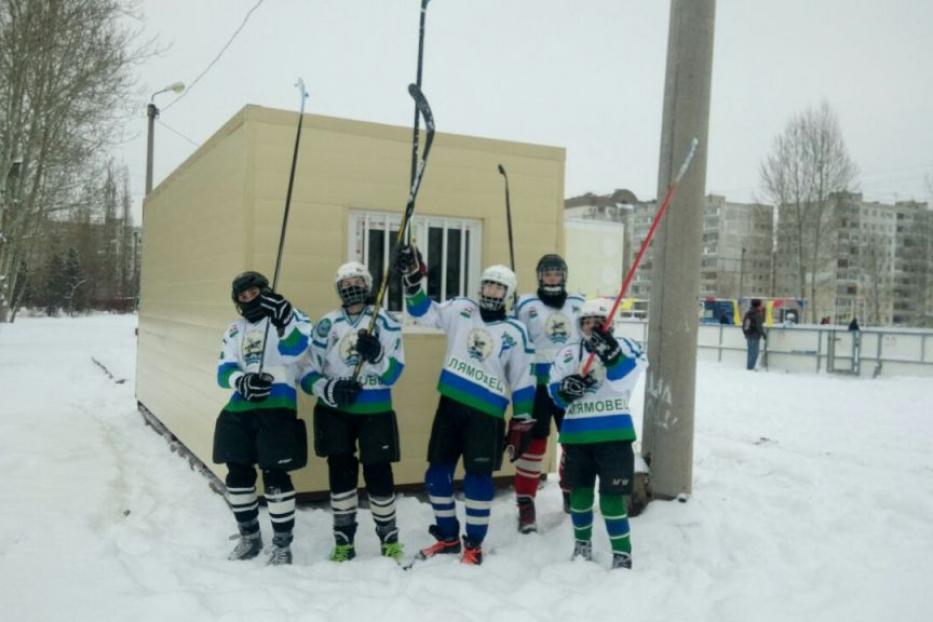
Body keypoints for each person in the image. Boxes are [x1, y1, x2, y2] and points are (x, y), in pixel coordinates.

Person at [396, 244, 536, 565]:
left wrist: (523, 419)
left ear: (509, 294)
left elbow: (523, 379)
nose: (491, 291)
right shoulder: (461, 309)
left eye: (499, 287)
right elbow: (422, 312)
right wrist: (412, 280)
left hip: (487, 416)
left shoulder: (515, 331)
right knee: (436, 475)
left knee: (477, 480)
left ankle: (473, 544)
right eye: (488, 284)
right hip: (451, 406)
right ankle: (447, 538)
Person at [298, 262, 406, 562]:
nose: (351, 287)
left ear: (369, 284)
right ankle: (344, 540)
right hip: (336, 412)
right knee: (341, 472)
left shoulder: (385, 322)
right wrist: (328, 389)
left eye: (357, 281)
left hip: (376, 410)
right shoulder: (327, 324)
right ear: (338, 289)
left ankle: (389, 539)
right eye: (345, 284)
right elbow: (306, 372)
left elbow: (394, 374)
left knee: (379, 472)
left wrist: (378, 356)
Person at [212, 271, 312, 565]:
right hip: (239, 410)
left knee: (275, 475)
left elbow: (297, 353)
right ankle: (249, 536)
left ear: (265, 291)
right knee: (237, 476)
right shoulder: (233, 330)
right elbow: (223, 371)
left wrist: (284, 322)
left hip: (277, 408)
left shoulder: (295, 317)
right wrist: (240, 381)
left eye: (254, 294)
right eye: (243, 298)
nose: (249, 300)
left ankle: (282, 543)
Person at [547, 298, 647, 570]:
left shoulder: (627, 346)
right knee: (579, 495)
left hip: (614, 432)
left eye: (597, 321)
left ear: (609, 323)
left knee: (611, 497)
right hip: (577, 434)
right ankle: (582, 546)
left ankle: (622, 553)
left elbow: (625, 380)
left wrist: (611, 355)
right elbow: (554, 390)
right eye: (586, 322)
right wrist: (565, 389)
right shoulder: (568, 353)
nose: (592, 326)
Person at [512, 254, 584, 530]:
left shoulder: (577, 303)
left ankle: (570, 490)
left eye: (557, 273)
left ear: (564, 276)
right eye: (548, 273)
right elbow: (515, 340)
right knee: (533, 444)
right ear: (540, 276)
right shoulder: (526, 304)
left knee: (573, 442)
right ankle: (526, 504)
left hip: (568, 385)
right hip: (537, 386)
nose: (552, 278)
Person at [741, 298, 766, 370]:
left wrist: (745, 333)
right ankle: (750, 368)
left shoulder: (748, 312)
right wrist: (763, 334)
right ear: (758, 305)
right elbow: (759, 326)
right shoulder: (757, 314)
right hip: (754, 335)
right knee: (754, 353)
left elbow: (744, 324)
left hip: (748, 334)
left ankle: (749, 367)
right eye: (761, 304)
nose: (762, 306)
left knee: (750, 352)